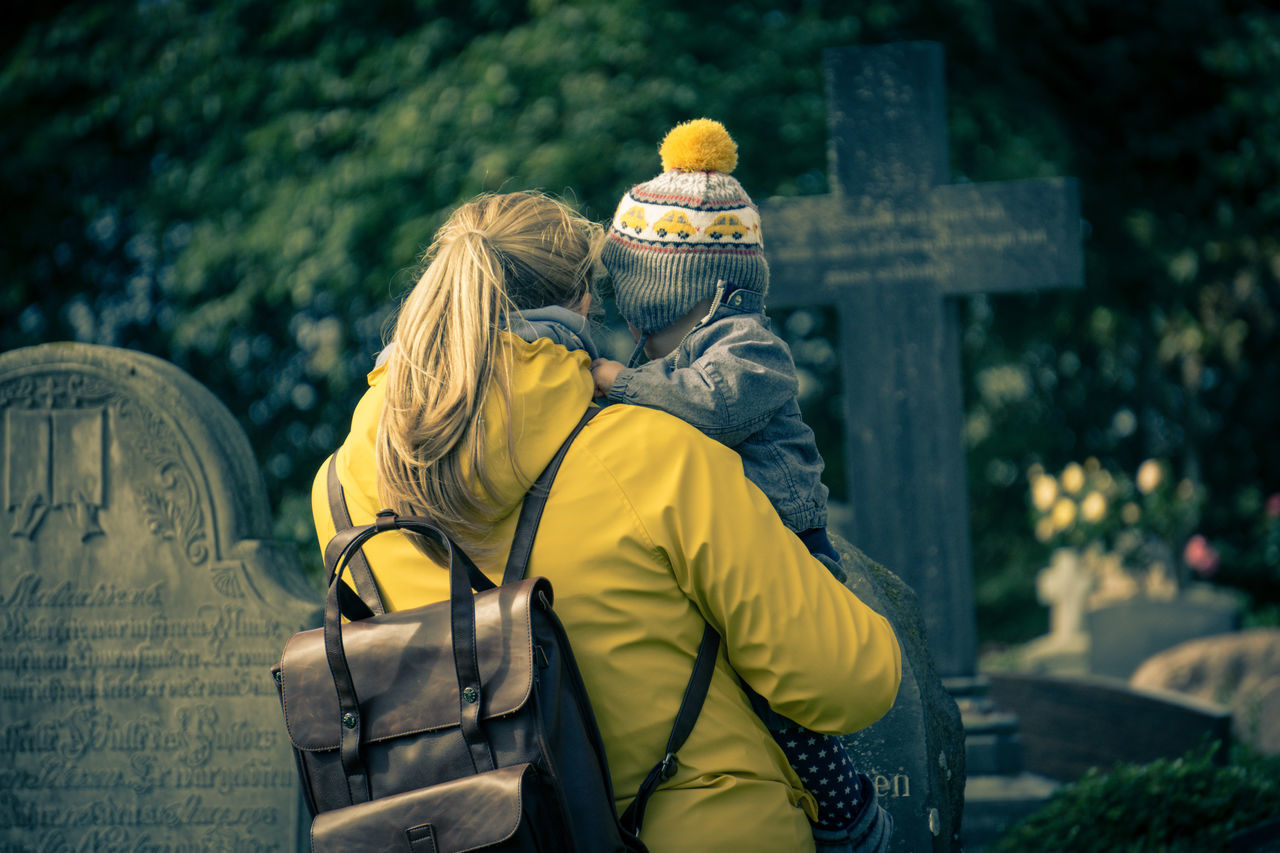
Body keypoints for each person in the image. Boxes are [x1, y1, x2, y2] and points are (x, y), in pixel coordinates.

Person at [312, 190, 901, 851]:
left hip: (483, 836)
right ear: (584, 303)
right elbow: (846, 681)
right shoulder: (658, 453)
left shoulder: (340, 484)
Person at [590, 119, 879, 848]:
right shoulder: (669, 350)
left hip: (790, 547)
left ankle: (852, 817)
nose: (637, 337)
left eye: (645, 315)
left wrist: (620, 382)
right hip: (726, 554)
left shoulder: (750, 346)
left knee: (789, 703)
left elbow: (709, 405)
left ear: (695, 291)